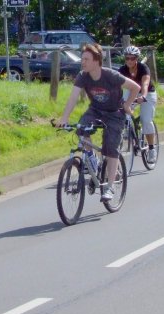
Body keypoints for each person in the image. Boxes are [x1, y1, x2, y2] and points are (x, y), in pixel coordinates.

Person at [57, 43, 140, 201]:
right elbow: (73, 97)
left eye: (86, 59)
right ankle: (92, 160)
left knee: (110, 147)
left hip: (115, 113)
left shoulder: (110, 75)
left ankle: (109, 187)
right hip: (95, 110)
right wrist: (64, 118)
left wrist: (127, 105)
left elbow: (135, 87)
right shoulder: (83, 76)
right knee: (81, 129)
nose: (83, 62)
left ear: (97, 61)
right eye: (82, 59)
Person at [117, 45, 159, 162]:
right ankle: (127, 127)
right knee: (121, 112)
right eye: (127, 58)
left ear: (137, 58)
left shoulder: (143, 68)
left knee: (146, 120)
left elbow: (145, 84)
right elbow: (116, 85)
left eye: (132, 58)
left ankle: (151, 149)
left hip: (147, 94)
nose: (129, 61)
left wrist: (143, 96)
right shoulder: (122, 70)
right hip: (131, 92)